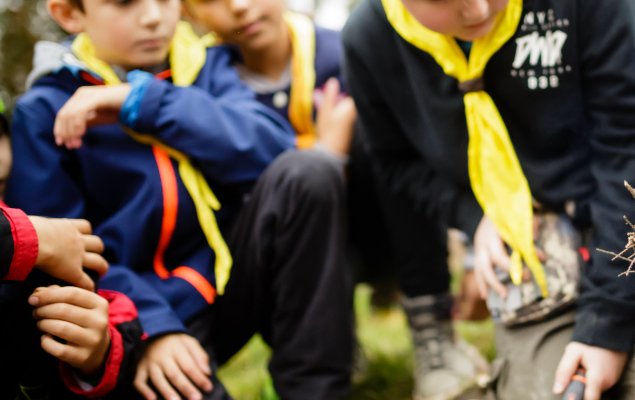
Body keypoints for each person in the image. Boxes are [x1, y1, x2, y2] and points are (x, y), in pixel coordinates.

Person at [341, 0, 635, 398]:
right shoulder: (368, 38)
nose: (478, 8)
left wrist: (607, 321)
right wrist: (473, 215)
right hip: (531, 250)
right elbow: (397, 162)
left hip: (631, 224)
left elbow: (632, 144)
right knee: (553, 390)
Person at [6, 0, 353, 397]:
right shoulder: (43, 110)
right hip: (137, 312)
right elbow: (61, 256)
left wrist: (142, 102)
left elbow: (273, 149)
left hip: (227, 281)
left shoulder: (206, 66)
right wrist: (151, 327)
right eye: (124, 2)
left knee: (309, 173)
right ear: (70, 14)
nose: (153, 15)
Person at [182, 2, 487, 397]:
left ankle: (434, 335)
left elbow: (435, 143)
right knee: (302, 181)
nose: (240, 6)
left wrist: (471, 250)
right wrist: (324, 154)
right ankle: (333, 343)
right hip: (287, 264)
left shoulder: (348, 49)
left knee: (375, 124)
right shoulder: (197, 82)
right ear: (187, 13)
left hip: (384, 235)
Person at [0, 98, 143, 399]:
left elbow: (108, 304)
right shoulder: (32, 234)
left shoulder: (36, 232)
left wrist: (98, 353)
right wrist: (25, 237)